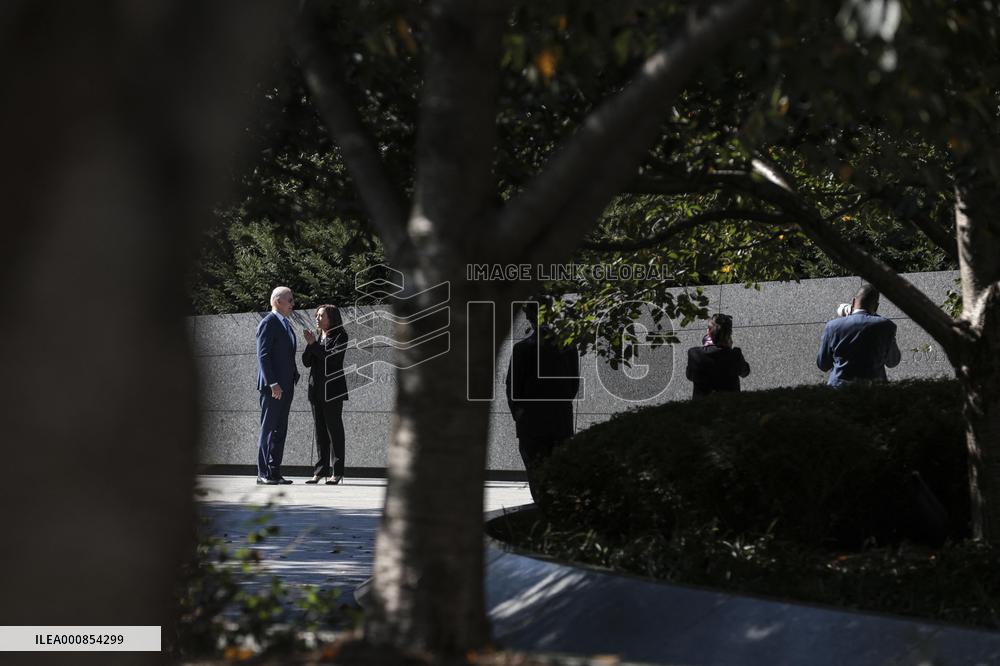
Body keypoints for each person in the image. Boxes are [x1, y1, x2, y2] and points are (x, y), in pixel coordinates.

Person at [505, 303, 580, 503]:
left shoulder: (522, 349)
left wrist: (519, 415)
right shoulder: (568, 346)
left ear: (530, 318)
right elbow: (573, 385)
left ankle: (542, 508)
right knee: (559, 470)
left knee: (536, 472)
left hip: (531, 423)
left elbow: (513, 388)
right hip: (560, 420)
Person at [255, 286, 300, 485]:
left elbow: (287, 355)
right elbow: (262, 355)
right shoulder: (269, 323)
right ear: (277, 301)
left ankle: (274, 472)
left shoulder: (286, 325)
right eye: (289, 300)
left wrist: (293, 375)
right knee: (268, 429)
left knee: (280, 430)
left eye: (292, 300)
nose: (293, 303)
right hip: (272, 388)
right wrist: (272, 383)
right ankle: (263, 473)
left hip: (286, 387)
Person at [817, 283, 901, 386]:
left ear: (853, 301)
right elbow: (893, 362)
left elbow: (823, 364)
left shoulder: (832, 326)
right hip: (874, 392)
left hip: (839, 390)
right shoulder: (887, 326)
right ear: (876, 306)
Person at [302, 304, 350, 485]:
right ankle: (320, 471)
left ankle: (337, 472)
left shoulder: (340, 336)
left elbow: (333, 359)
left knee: (334, 430)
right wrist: (310, 345)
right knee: (320, 430)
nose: (317, 318)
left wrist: (314, 344)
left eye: (321, 315)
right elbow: (306, 362)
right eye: (317, 315)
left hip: (333, 391)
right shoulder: (316, 338)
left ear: (332, 318)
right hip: (315, 390)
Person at [685, 313, 751, 399]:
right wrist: (728, 349)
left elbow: (690, 376)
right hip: (730, 405)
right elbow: (745, 372)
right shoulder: (735, 355)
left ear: (709, 332)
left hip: (701, 407)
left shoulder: (694, 354)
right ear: (728, 334)